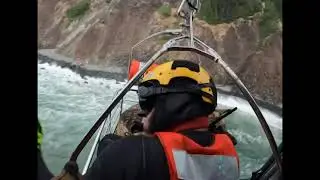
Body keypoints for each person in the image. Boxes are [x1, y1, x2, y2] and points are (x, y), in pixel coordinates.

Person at [38, 60, 239, 180]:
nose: (144, 116)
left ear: (173, 104)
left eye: (149, 106)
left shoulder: (132, 152)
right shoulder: (230, 156)